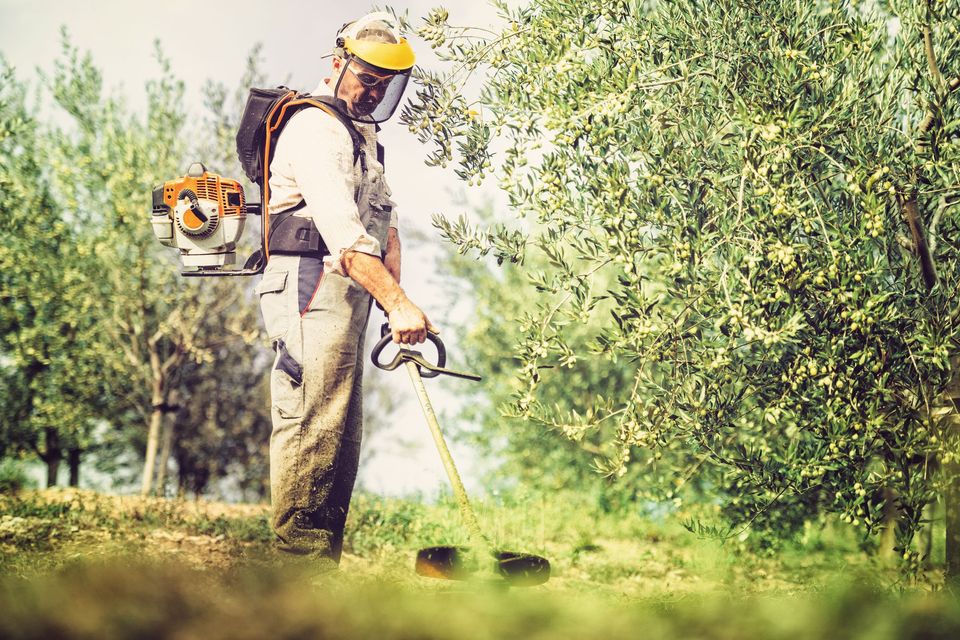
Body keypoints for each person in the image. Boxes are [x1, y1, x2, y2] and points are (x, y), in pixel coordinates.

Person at [255, 12, 435, 567]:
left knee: (339, 434)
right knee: (312, 423)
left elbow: (386, 229)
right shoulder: (316, 129)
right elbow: (350, 241)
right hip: (310, 285)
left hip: (348, 293)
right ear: (338, 63)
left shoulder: (364, 138)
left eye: (387, 84)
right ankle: (297, 572)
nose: (375, 91)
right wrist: (399, 303)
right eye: (367, 77)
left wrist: (392, 305)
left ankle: (319, 568)